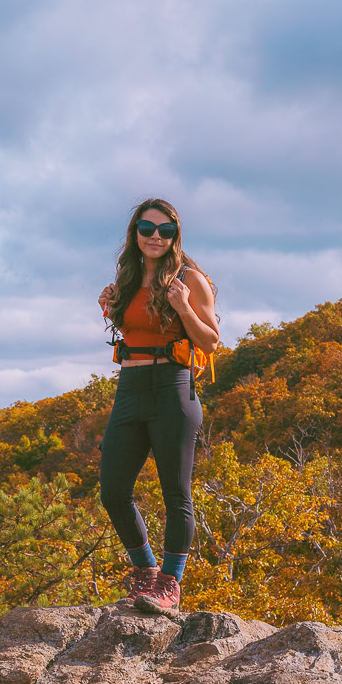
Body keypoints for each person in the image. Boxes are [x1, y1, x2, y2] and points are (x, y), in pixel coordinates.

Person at [97, 198, 219, 616]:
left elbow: (211, 342)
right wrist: (110, 307)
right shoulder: (127, 276)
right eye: (147, 229)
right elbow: (134, 325)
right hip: (129, 389)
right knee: (113, 491)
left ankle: (170, 583)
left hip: (173, 389)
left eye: (165, 231)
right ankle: (146, 572)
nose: (155, 237)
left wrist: (183, 305)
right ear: (135, 232)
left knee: (175, 494)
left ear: (175, 235)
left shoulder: (191, 279)